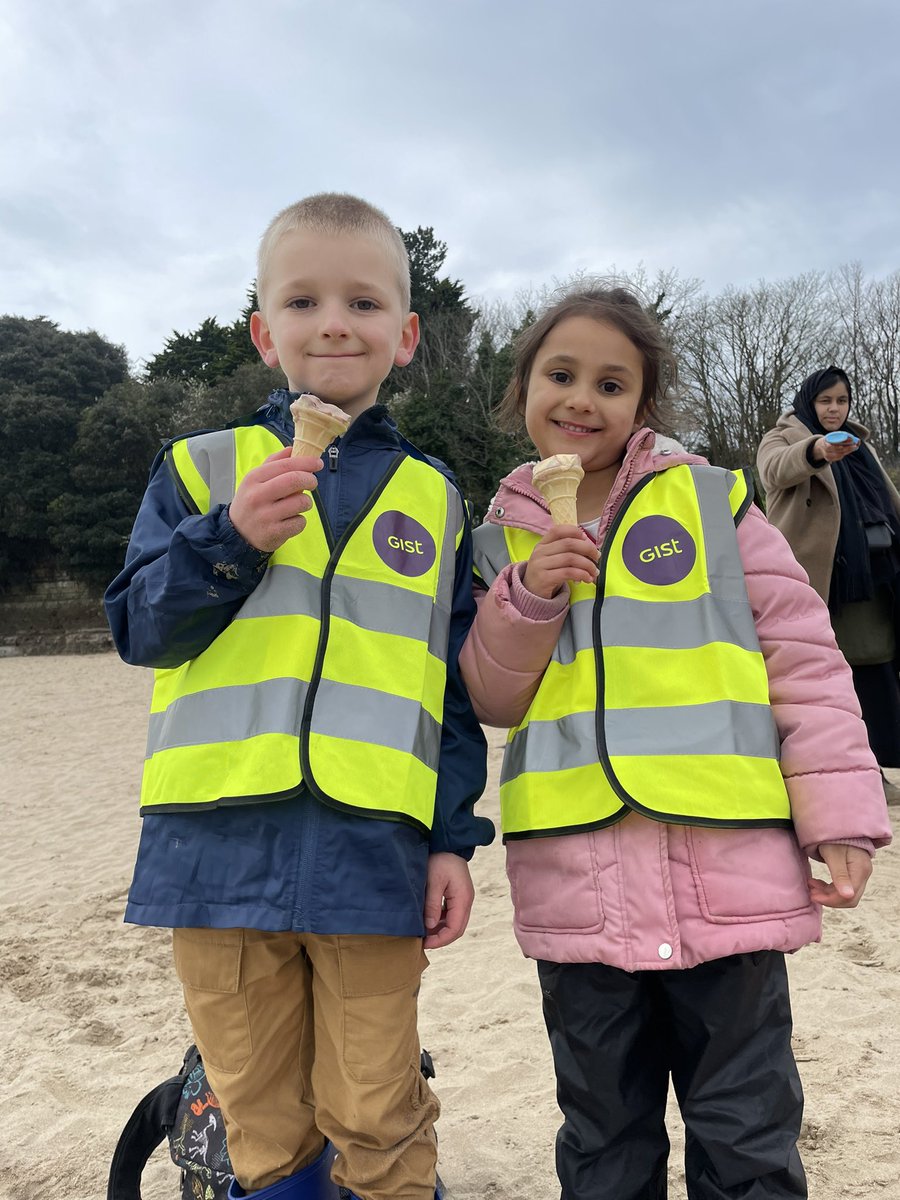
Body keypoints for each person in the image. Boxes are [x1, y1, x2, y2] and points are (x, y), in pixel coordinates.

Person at [458, 286, 892, 1200]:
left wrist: (840, 813)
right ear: (523, 388)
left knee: (747, 1134)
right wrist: (529, 599)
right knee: (604, 1138)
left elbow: (806, 662)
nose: (583, 399)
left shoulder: (718, 505)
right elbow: (491, 698)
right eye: (561, 374)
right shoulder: (498, 536)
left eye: (612, 383)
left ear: (644, 406)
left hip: (729, 882)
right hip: (579, 897)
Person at [105, 193, 492, 1200]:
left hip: (376, 858)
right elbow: (140, 628)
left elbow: (446, 694)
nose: (333, 323)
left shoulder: (438, 498)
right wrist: (227, 539)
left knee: (380, 1111)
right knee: (260, 1126)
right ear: (262, 330)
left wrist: (452, 836)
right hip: (216, 857)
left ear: (405, 336)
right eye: (304, 299)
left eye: (364, 302)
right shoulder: (200, 470)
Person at [758, 367, 900, 799]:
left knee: (878, 667)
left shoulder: (861, 446)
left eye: (841, 401)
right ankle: (841, 768)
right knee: (822, 677)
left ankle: (874, 762)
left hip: (876, 577)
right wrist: (816, 450)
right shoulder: (781, 438)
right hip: (818, 580)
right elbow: (774, 472)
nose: (834, 409)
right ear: (809, 402)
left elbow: (887, 498)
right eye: (826, 401)